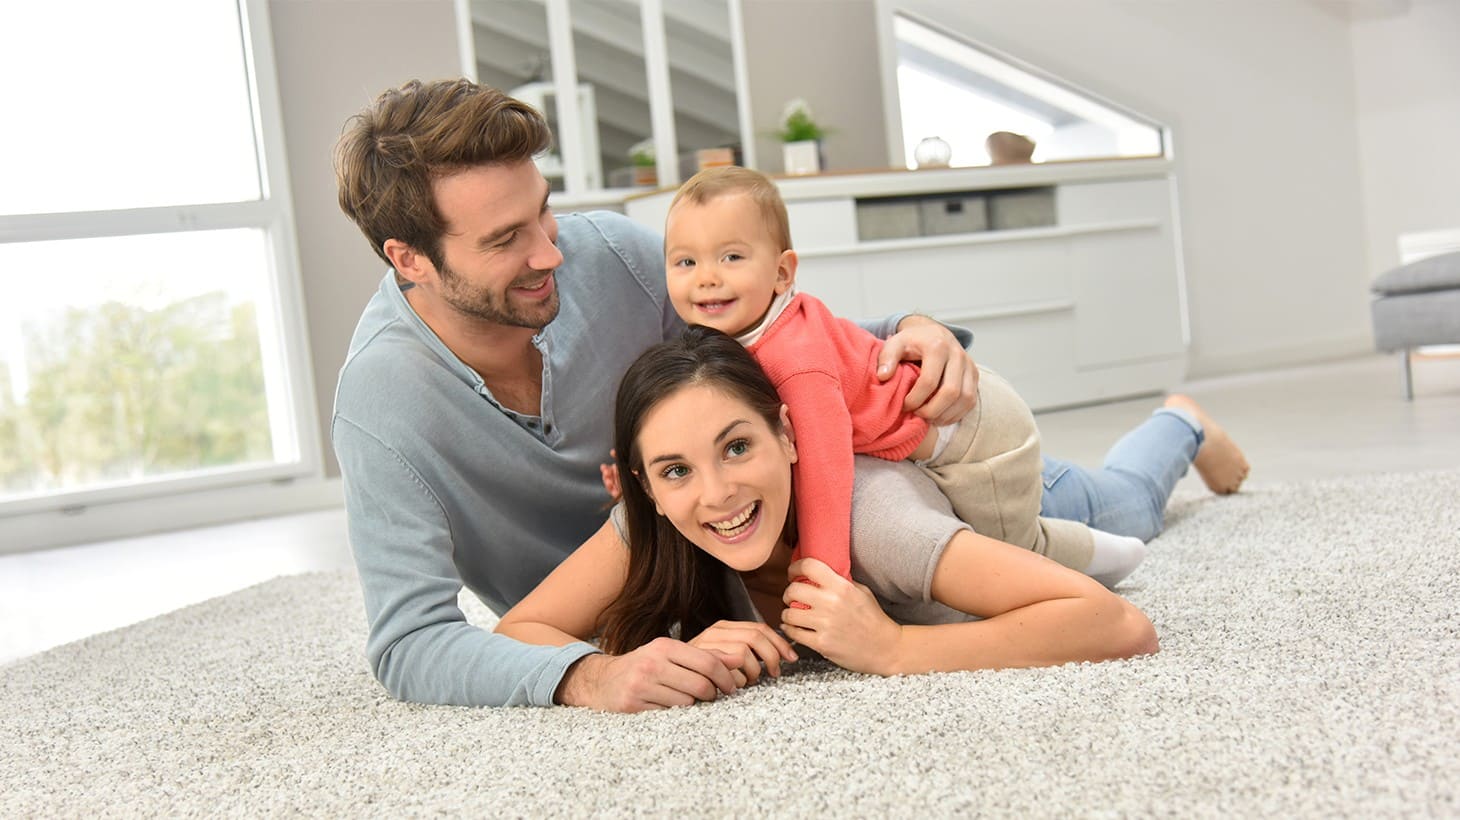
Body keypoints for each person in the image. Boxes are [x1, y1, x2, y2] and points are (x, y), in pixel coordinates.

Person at [330, 78, 979, 709]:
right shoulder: (382, 403)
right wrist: (590, 675)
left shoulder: (612, 257)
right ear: (409, 259)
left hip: (750, 546)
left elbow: (775, 337)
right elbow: (410, 642)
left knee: (1013, 512)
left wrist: (907, 328)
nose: (550, 254)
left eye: (543, 211)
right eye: (505, 239)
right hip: (630, 599)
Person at [495, 326, 1162, 713]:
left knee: (1133, 501)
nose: (717, 494)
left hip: (1000, 492)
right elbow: (516, 631)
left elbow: (1119, 622)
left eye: (736, 447)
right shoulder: (659, 522)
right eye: (676, 471)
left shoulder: (880, 525)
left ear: (787, 436)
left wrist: (897, 651)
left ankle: (1182, 421)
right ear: (645, 486)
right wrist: (628, 666)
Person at [661, 166, 1148, 588]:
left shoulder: (795, 360)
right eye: (686, 262)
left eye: (731, 257)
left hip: (977, 433)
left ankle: (1116, 556)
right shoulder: (744, 329)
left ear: (783, 273)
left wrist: (824, 571)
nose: (706, 277)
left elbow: (825, 470)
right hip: (926, 435)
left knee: (1013, 554)